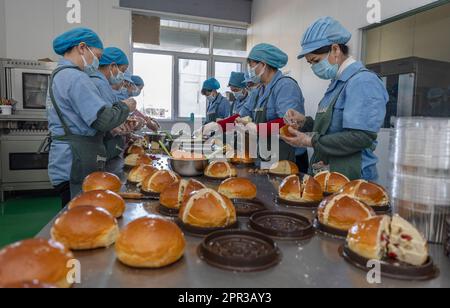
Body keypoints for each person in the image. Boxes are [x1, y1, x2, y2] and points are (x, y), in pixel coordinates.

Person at [282, 17, 388, 181]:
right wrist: (305, 122)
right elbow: (331, 128)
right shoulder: (338, 84)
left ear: (336, 49)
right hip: (328, 174)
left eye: (316, 61)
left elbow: (361, 137)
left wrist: (309, 141)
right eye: (310, 63)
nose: (314, 67)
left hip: (352, 178)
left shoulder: (363, 82)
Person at [48, 28, 136, 207]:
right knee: (78, 219)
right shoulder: (75, 77)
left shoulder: (60, 74)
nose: (96, 61)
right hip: (74, 162)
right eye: (96, 55)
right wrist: (125, 106)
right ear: (82, 47)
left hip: (65, 159)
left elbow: (81, 118)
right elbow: (103, 120)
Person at [214, 43, 307, 163]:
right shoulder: (258, 91)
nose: (250, 71)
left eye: (251, 66)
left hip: (288, 158)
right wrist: (218, 126)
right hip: (267, 154)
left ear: (263, 64)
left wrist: (258, 129)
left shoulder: (286, 86)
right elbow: (241, 117)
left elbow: (289, 124)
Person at [89, 47, 136, 180]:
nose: (122, 76)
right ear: (113, 66)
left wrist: (116, 127)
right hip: (87, 150)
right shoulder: (99, 84)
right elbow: (104, 120)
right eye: (123, 71)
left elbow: (101, 116)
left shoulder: (97, 83)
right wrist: (125, 107)